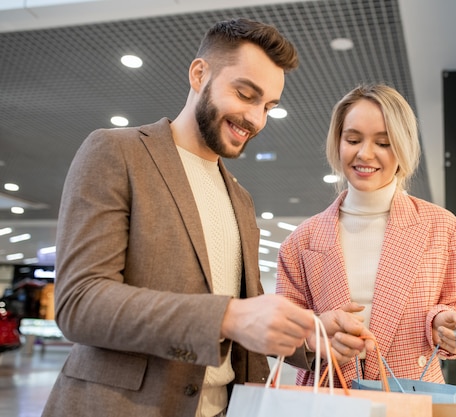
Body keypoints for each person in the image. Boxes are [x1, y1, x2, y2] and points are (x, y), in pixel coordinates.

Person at [42, 18, 319, 417]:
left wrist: (309, 336)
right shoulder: (117, 152)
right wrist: (225, 315)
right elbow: (79, 303)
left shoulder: (240, 198)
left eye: (268, 107)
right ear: (198, 73)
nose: (256, 119)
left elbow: (245, 324)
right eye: (245, 94)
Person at [275, 83, 456, 387]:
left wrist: (443, 325)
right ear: (338, 143)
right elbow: (280, 331)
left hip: (410, 393)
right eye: (353, 139)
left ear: (403, 146)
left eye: (383, 143)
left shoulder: (440, 226)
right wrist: (314, 336)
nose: (365, 153)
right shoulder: (301, 240)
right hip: (327, 396)